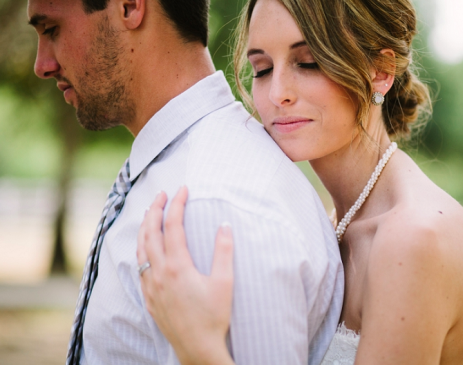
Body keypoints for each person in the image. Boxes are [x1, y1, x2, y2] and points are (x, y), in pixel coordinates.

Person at [137, 0, 463, 363]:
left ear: (381, 71)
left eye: (307, 63)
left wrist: (199, 346)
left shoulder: (413, 239)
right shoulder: (333, 223)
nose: (278, 93)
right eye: (261, 69)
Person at [27, 0, 344, 364]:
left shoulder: (212, 205)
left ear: (130, 6)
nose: (41, 65)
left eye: (51, 30)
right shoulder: (184, 175)